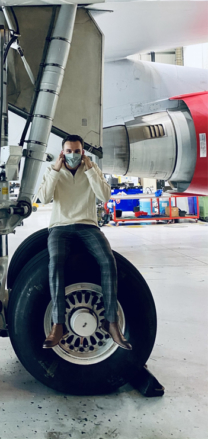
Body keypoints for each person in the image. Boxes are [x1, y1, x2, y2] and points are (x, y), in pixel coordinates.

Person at [37, 134, 132, 351]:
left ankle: (111, 322)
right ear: (63, 152)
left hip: (88, 225)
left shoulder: (92, 169)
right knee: (56, 263)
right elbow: (43, 198)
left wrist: (90, 170)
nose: (72, 155)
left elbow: (104, 195)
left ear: (83, 152)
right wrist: (55, 169)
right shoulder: (54, 170)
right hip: (60, 227)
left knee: (108, 261)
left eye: (76, 151)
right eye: (68, 151)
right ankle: (58, 324)